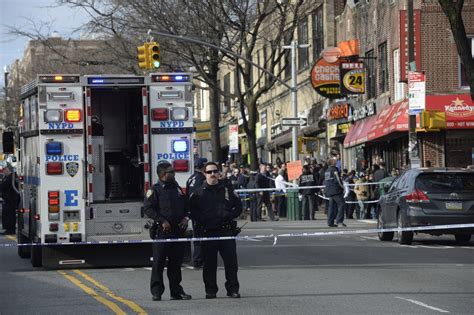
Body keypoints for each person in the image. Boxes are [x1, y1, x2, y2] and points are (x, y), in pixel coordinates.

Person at [190, 161, 243, 299]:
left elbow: (239, 207)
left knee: (231, 263)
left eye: (215, 171)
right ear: (204, 174)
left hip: (226, 231)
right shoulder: (198, 193)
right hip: (209, 232)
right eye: (209, 172)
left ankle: (232, 289)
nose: (212, 174)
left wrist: (229, 215)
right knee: (209, 264)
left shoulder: (227, 190)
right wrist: (203, 220)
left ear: (219, 173)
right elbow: (192, 211)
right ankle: (210, 290)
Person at [144, 161, 192, 301]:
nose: (174, 173)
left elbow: (186, 205)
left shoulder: (176, 187)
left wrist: (186, 217)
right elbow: (148, 208)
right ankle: (157, 292)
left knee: (175, 263)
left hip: (178, 231)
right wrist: (161, 220)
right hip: (162, 232)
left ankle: (176, 291)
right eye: (171, 171)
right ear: (163, 174)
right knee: (158, 263)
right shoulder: (155, 190)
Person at [186, 157, 207, 269]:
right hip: (200, 211)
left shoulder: (191, 178)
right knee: (201, 237)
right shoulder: (202, 179)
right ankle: (198, 260)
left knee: (197, 235)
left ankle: (198, 258)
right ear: (203, 166)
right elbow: (201, 195)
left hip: (193, 211)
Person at [323, 158, 346, 227]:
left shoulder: (327, 170)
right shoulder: (334, 169)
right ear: (332, 162)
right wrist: (343, 187)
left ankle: (330, 222)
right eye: (334, 161)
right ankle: (339, 221)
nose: (336, 161)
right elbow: (338, 180)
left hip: (329, 190)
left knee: (331, 206)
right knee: (342, 204)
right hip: (335, 190)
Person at [0, 165, 19, 235]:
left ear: (8, 170)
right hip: (9, 199)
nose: (3, 171)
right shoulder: (9, 177)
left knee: (9, 215)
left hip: (10, 199)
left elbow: (3, 186)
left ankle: (10, 230)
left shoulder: (11, 177)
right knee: (7, 214)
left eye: (4, 170)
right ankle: (9, 229)